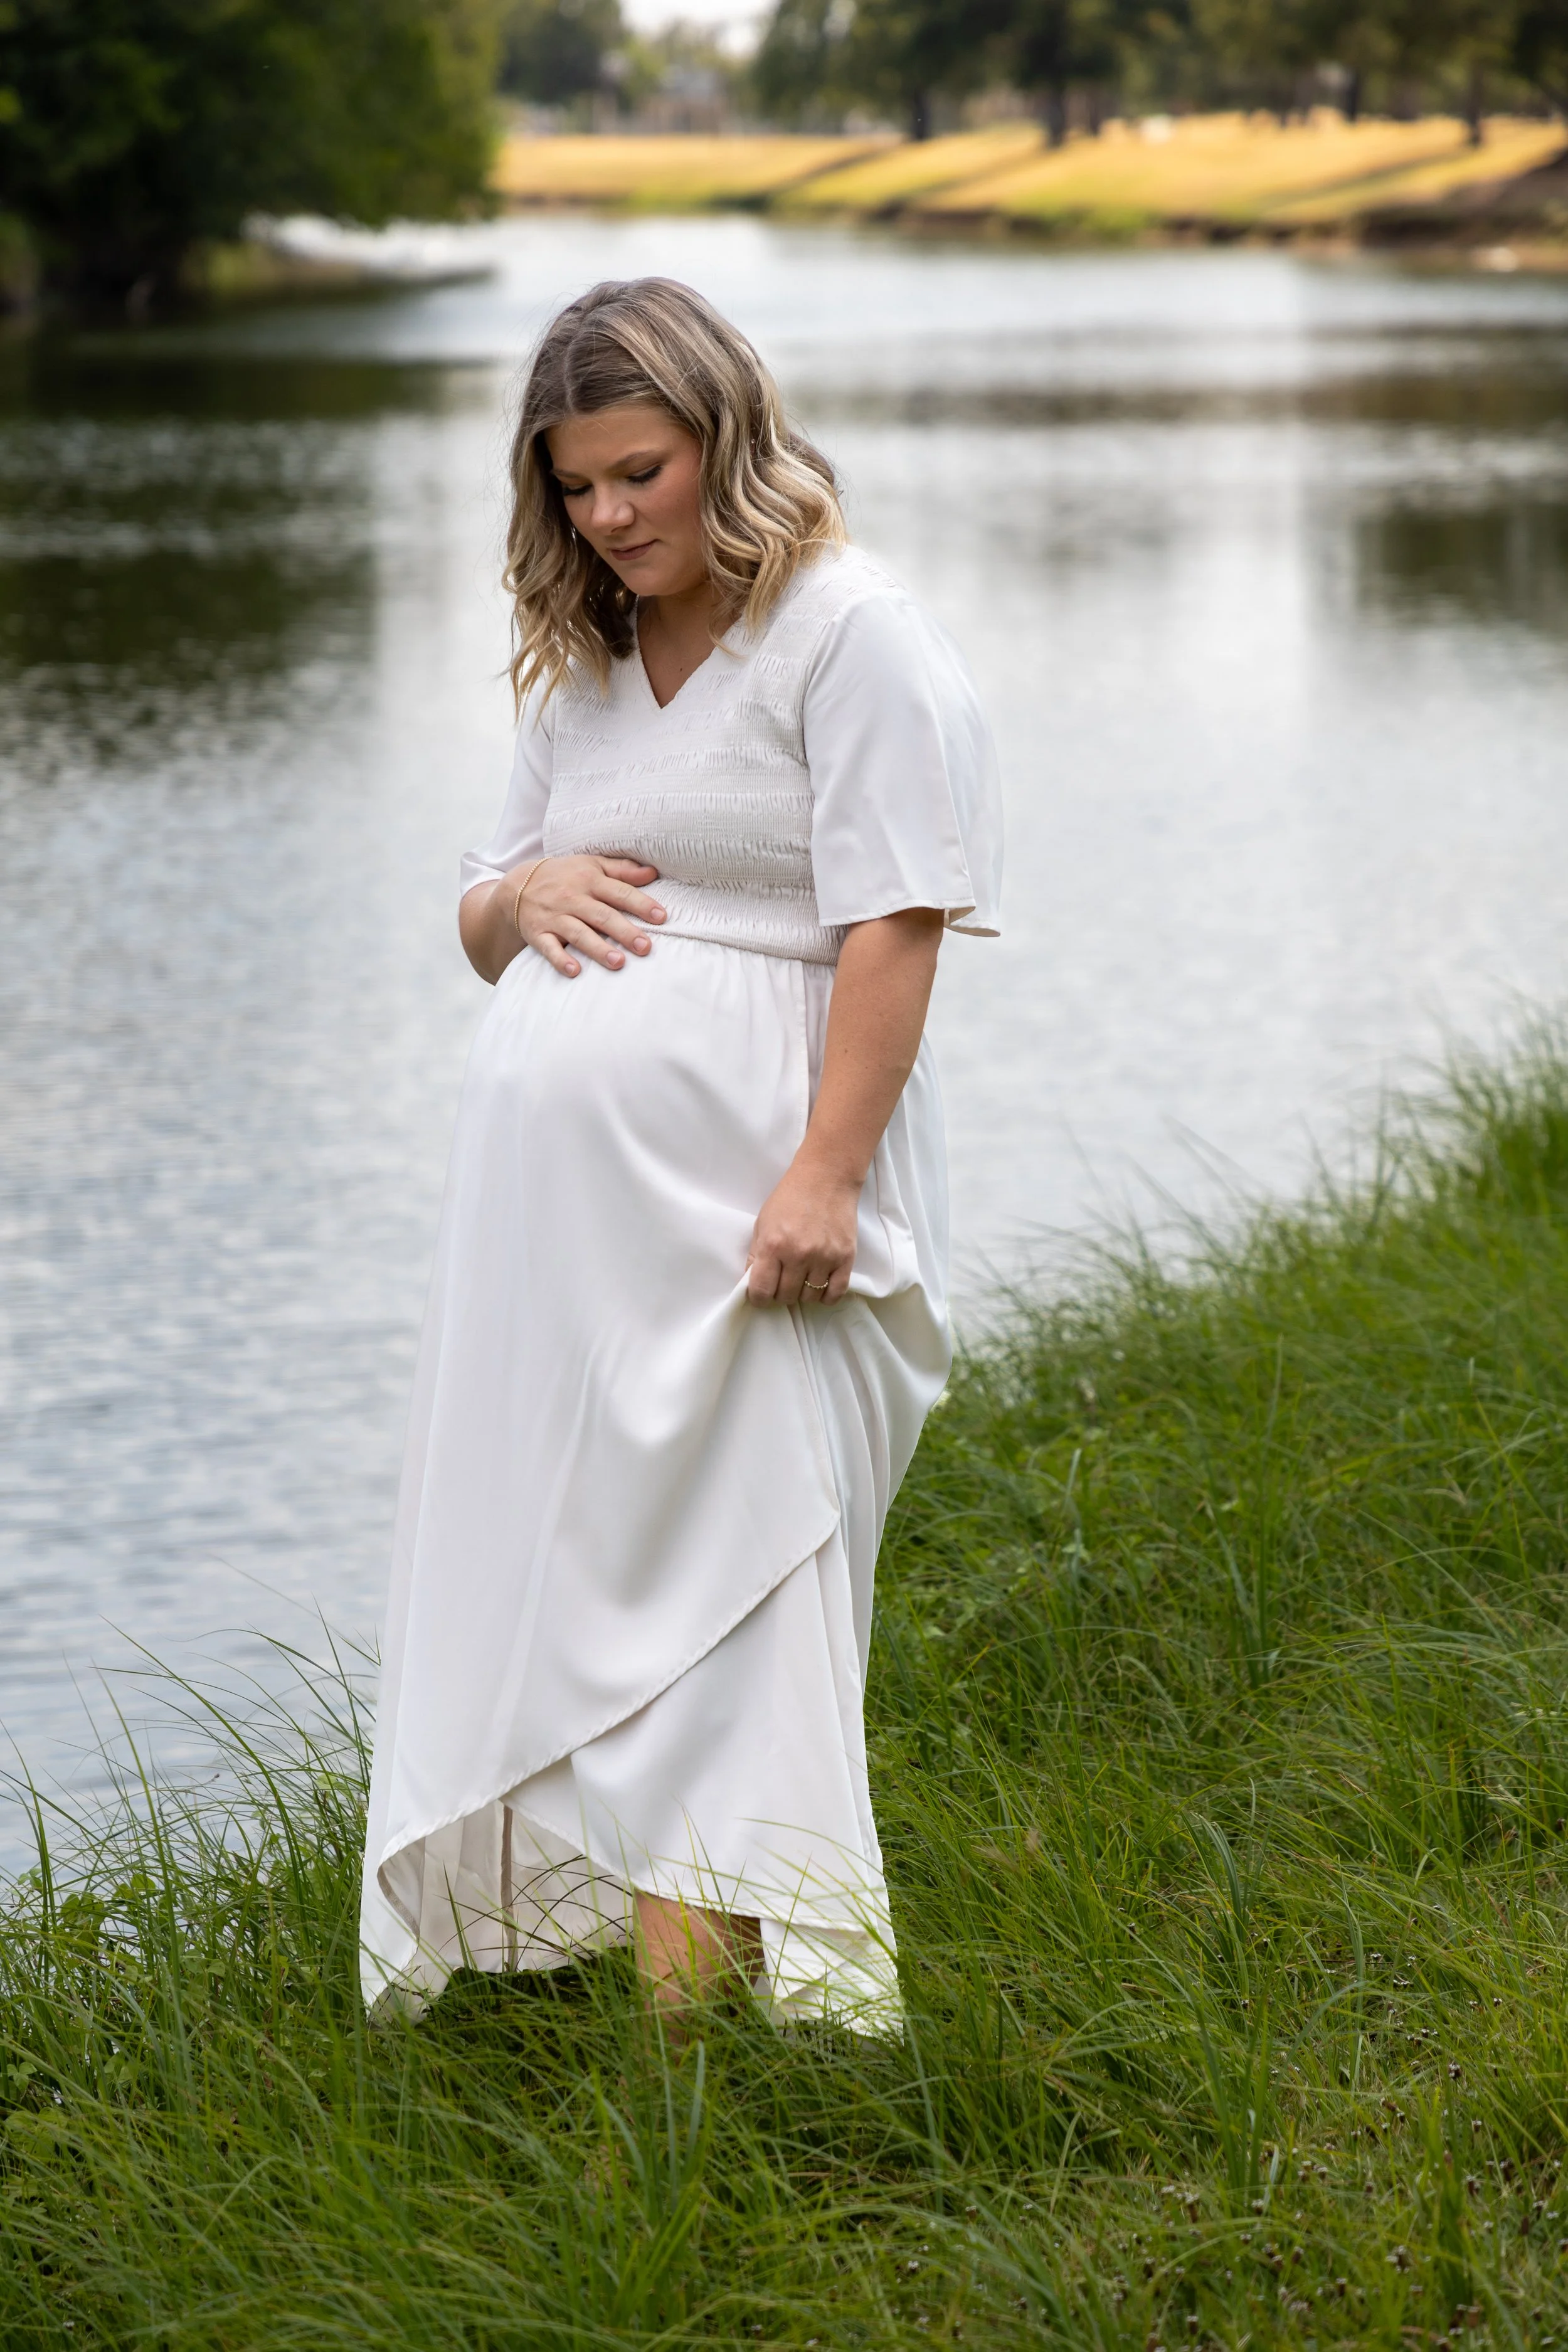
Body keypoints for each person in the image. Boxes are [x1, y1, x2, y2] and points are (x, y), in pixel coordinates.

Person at [359, 277, 1002, 2036]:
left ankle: (711, 2054)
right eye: (574, 487)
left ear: (726, 441)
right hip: (564, 1250)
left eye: (637, 472)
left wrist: (824, 1174)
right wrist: (518, 896)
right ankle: (660, 2033)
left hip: (761, 1207)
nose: (609, 516)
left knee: (739, 1603)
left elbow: (895, 922)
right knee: (597, 1588)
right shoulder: (583, 657)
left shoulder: (848, 631)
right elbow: (484, 906)